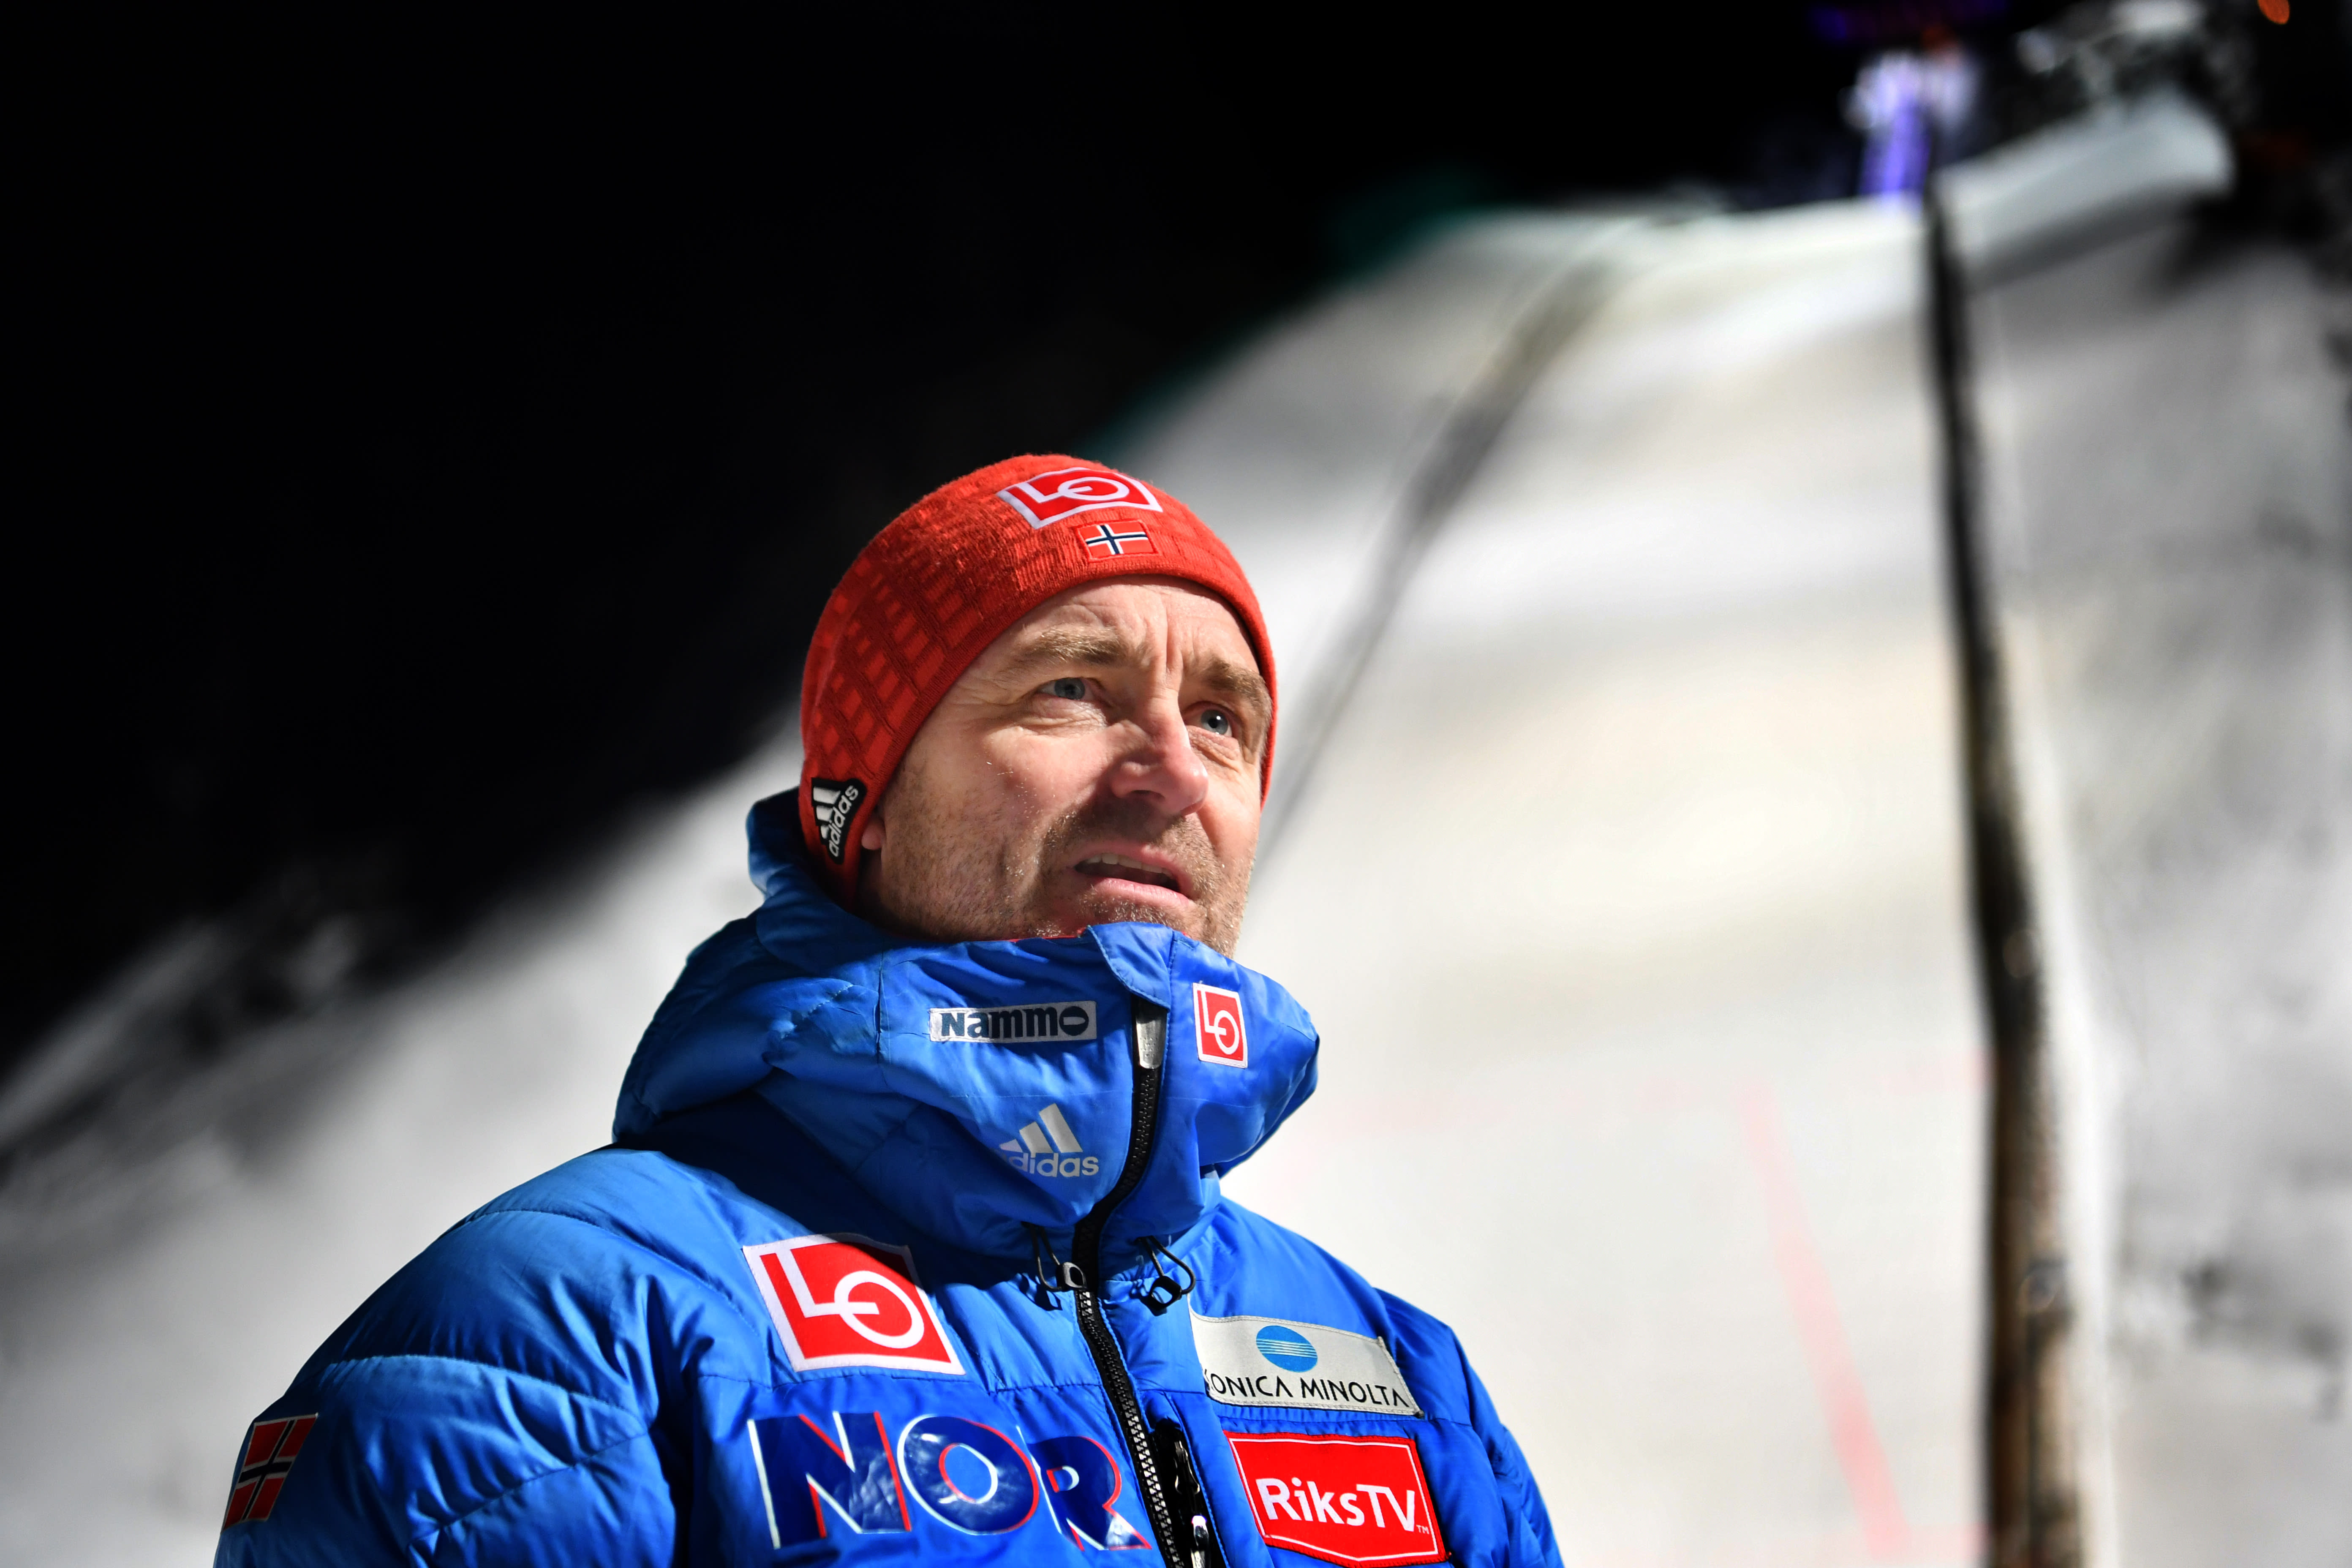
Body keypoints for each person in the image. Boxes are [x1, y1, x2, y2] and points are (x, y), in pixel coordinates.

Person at [213, 456, 1562, 1568]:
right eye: (1070, 690)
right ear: (861, 806)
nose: (1170, 770)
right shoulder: (550, 1345)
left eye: (1222, 719)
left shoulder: (1407, 1385)